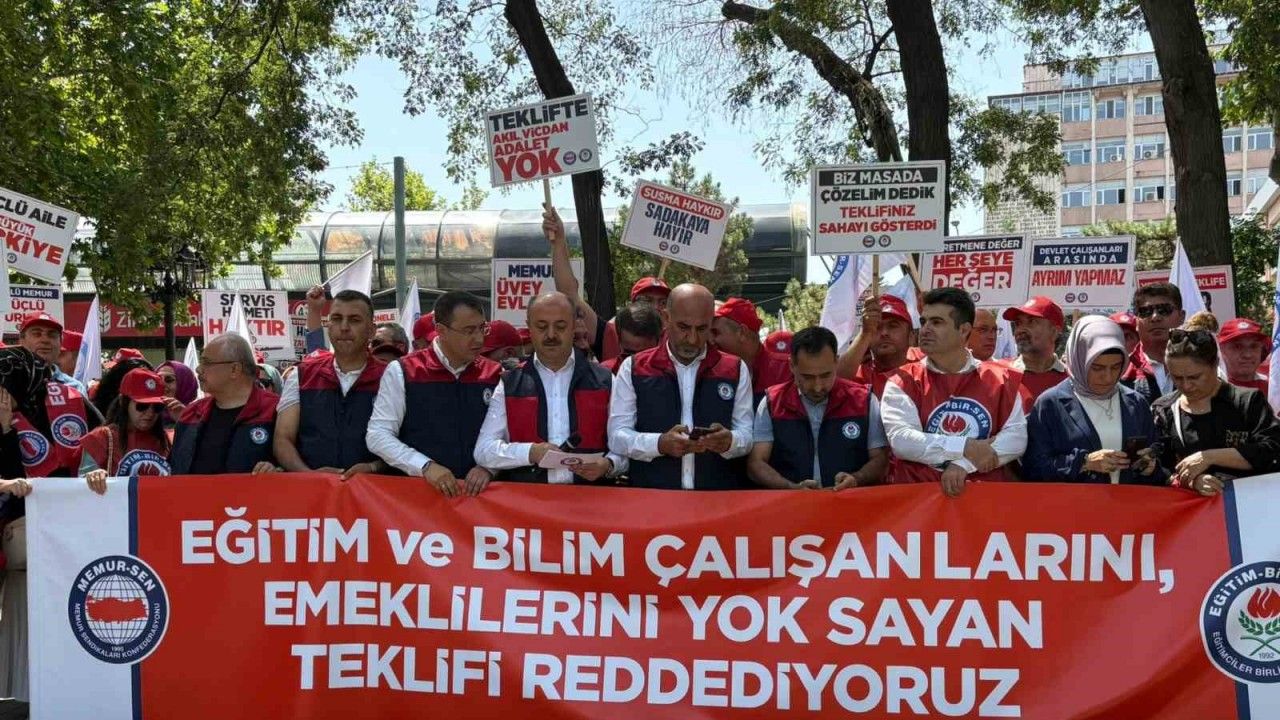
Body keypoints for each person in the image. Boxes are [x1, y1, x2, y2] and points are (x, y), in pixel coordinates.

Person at [881, 287, 1027, 497]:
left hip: (986, 503)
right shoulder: (902, 381)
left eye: (937, 322)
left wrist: (964, 464)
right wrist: (964, 446)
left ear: (964, 330)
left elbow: (1017, 438)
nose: (925, 329)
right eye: (924, 321)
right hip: (919, 504)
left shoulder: (1002, 379)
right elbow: (903, 441)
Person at [608, 283, 754, 490]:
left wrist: (730, 441)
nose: (692, 339)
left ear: (711, 323)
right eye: (684, 327)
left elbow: (747, 435)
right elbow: (617, 437)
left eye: (701, 329)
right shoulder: (634, 368)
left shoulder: (735, 369)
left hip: (717, 500)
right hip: (653, 499)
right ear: (666, 319)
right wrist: (659, 444)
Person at [475, 293, 625, 486]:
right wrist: (531, 452)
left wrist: (609, 464)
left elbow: (624, 447)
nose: (551, 335)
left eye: (560, 326)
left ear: (574, 326)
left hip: (591, 500)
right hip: (529, 500)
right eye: (542, 327)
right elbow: (483, 451)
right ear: (529, 327)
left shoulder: (605, 380)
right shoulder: (510, 383)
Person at [367, 291, 502, 497]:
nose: (479, 338)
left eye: (482, 328)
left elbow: (506, 435)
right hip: (419, 499)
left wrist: (489, 468)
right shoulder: (404, 371)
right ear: (441, 330)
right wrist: (424, 466)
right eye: (469, 331)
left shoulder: (495, 373)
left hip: (480, 501)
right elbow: (378, 435)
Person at [1023, 316, 1162, 484]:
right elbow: (1034, 468)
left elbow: (1157, 462)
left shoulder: (1136, 403)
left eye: (1116, 367)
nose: (1108, 377)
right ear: (1079, 361)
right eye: (1097, 368)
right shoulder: (1050, 404)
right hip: (1075, 500)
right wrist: (1084, 463)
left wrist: (1149, 466)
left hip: (1128, 500)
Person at [748, 326, 888, 490]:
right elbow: (756, 463)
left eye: (825, 375)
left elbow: (880, 459)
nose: (817, 386)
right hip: (793, 503)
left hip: (849, 501)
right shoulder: (772, 403)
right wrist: (791, 488)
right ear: (792, 365)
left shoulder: (864, 400)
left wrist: (857, 479)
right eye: (807, 377)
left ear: (836, 362)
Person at [273, 290, 387, 478]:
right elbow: (282, 438)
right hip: (312, 493)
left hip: (373, 492)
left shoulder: (391, 376)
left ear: (371, 330)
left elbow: (407, 441)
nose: (344, 327)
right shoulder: (301, 375)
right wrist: (310, 476)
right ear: (328, 325)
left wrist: (374, 468)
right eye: (336, 318)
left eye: (354, 320)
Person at [1153, 329, 1280, 495]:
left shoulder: (1247, 401)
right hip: (1190, 506)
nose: (1186, 385)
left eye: (1194, 377)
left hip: (1247, 501)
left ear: (1215, 365)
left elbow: (1272, 450)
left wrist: (1210, 457)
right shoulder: (1164, 409)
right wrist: (1191, 481)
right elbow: (1160, 468)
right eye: (1177, 378)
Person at [169, 334, 278, 475]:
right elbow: (174, 468)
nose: (198, 369)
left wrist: (278, 471)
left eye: (206, 363)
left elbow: (296, 465)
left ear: (234, 369)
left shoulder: (276, 410)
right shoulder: (191, 414)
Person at [82, 369, 172, 492]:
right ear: (123, 402)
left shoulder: (169, 439)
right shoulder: (100, 438)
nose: (150, 413)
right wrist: (93, 476)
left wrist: (183, 420)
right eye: (142, 406)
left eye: (157, 407)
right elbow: (81, 482)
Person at [837, 294, 920, 396]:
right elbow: (833, 383)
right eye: (877, 327)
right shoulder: (858, 375)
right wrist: (865, 333)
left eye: (893, 326)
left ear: (911, 337)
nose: (884, 333)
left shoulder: (925, 366)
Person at [712, 297, 791, 403]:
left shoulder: (787, 370)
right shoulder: (714, 370)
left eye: (715, 332)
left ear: (742, 333)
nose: (711, 340)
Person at [1123, 282, 1184, 402]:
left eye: (1164, 310)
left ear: (1181, 316)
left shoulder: (1203, 366)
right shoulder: (1121, 371)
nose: (1155, 317)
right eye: (1146, 311)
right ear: (1136, 322)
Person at [1001, 296, 1068, 403]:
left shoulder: (1073, 381)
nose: (1020, 330)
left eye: (1031, 322)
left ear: (1054, 332)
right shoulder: (998, 375)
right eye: (1018, 323)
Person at [17, 312, 87, 396]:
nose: (45, 340)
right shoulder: (7, 382)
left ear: (60, 344)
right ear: (22, 341)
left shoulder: (76, 388)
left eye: (52, 335)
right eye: (37, 334)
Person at [601, 302, 662, 373]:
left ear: (659, 341)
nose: (635, 363)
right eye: (628, 354)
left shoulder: (669, 374)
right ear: (619, 341)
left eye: (644, 356)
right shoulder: (604, 373)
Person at [1218, 318, 1270, 392]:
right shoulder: (1209, 390)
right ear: (1222, 349)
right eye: (1237, 346)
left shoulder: (1273, 389)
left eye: (1254, 346)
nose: (1247, 355)